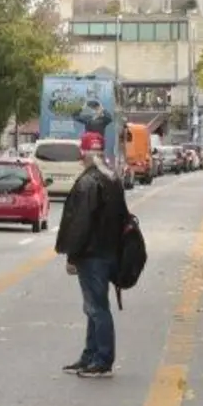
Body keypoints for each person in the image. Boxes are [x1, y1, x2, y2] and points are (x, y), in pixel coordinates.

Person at [55, 131, 129, 378]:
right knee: (94, 307)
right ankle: (90, 355)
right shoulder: (112, 178)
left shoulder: (88, 182)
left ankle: (102, 360)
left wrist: (72, 255)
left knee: (97, 308)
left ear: (83, 154)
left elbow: (80, 224)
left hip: (91, 254)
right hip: (109, 252)